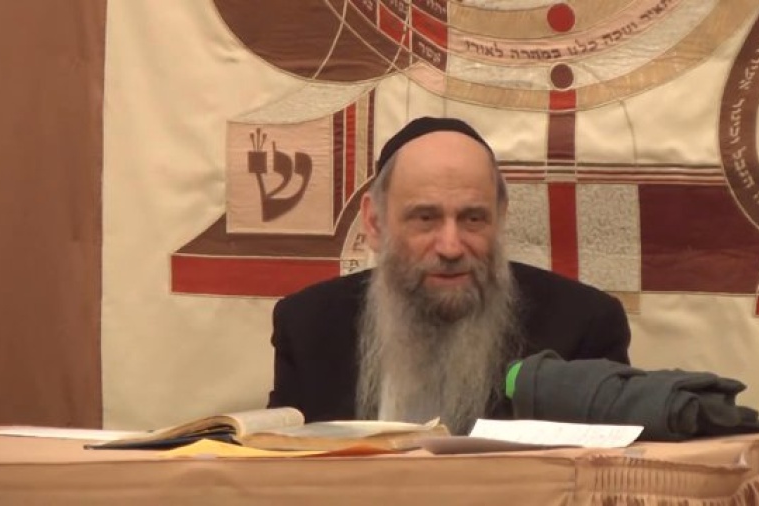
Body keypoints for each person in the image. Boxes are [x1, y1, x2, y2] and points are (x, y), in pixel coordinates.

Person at [267, 116, 631, 434]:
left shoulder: (582, 329)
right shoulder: (308, 327)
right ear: (375, 223)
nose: (451, 247)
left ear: (500, 218)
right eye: (425, 218)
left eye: (473, 218)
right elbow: (274, 468)